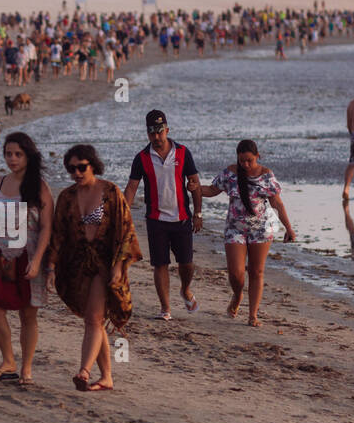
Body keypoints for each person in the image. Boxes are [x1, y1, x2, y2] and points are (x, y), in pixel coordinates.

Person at [45, 144, 141, 392]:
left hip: (104, 265)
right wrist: (51, 268)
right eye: (71, 169)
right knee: (95, 322)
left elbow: (126, 229)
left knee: (93, 318)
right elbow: (58, 235)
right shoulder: (66, 197)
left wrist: (119, 266)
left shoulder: (110, 191)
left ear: (92, 165)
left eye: (81, 167)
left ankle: (84, 371)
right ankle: (107, 376)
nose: (76, 173)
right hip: (75, 266)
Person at [0, 133, 53, 386]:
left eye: (18, 154)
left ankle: (26, 369)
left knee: (28, 316)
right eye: (8, 154)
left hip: (29, 258)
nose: (13, 158)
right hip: (4, 257)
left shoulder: (39, 186)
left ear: (28, 155)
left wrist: (38, 260)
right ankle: (8, 362)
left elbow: (47, 229)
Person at [200, 139, 295, 326]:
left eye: (249, 160)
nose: (245, 164)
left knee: (256, 271)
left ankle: (253, 315)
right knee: (236, 274)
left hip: (261, 229)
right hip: (235, 229)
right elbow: (211, 190)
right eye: (242, 160)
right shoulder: (231, 173)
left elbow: (277, 203)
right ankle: (237, 295)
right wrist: (194, 187)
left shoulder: (266, 175)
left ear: (257, 156)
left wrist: (288, 228)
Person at [123, 110, 202, 321]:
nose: (156, 137)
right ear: (147, 134)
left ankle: (185, 289)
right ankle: (165, 308)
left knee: (186, 264)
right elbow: (131, 188)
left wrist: (198, 214)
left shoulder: (183, 153)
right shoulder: (141, 158)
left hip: (182, 217)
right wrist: (123, 214)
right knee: (160, 264)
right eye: (152, 133)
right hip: (156, 220)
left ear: (167, 130)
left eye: (160, 132)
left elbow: (195, 184)